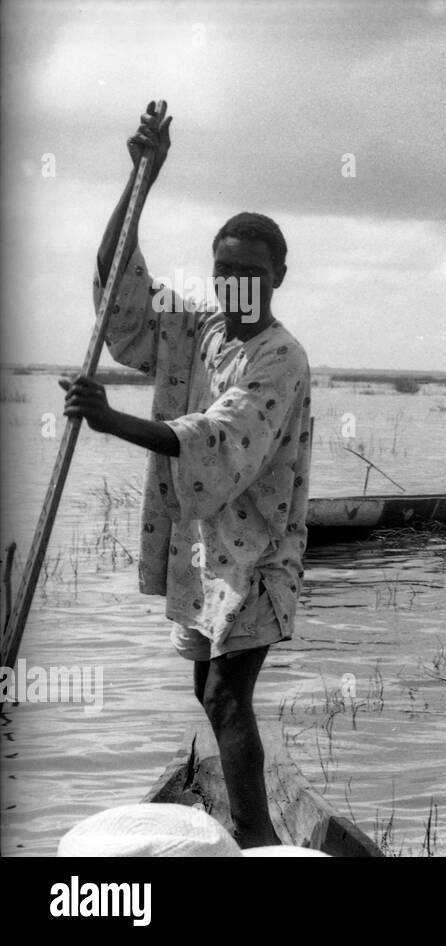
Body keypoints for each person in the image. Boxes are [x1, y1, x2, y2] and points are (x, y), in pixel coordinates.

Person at [62, 101, 310, 848]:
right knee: (208, 689)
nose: (236, 284)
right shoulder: (197, 323)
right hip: (207, 552)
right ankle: (249, 826)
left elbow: (223, 435)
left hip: (260, 553)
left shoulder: (281, 356)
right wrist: (141, 176)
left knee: (229, 697)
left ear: (278, 278)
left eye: (251, 273)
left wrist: (114, 421)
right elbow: (121, 292)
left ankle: (261, 842)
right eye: (224, 270)